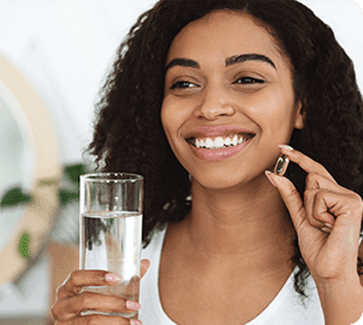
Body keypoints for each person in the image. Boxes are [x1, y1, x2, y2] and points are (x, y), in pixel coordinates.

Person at [50, 0, 363, 324]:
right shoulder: (116, 267)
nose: (211, 107)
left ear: (302, 105)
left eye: (247, 79)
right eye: (184, 83)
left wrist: (336, 285)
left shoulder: (349, 265)